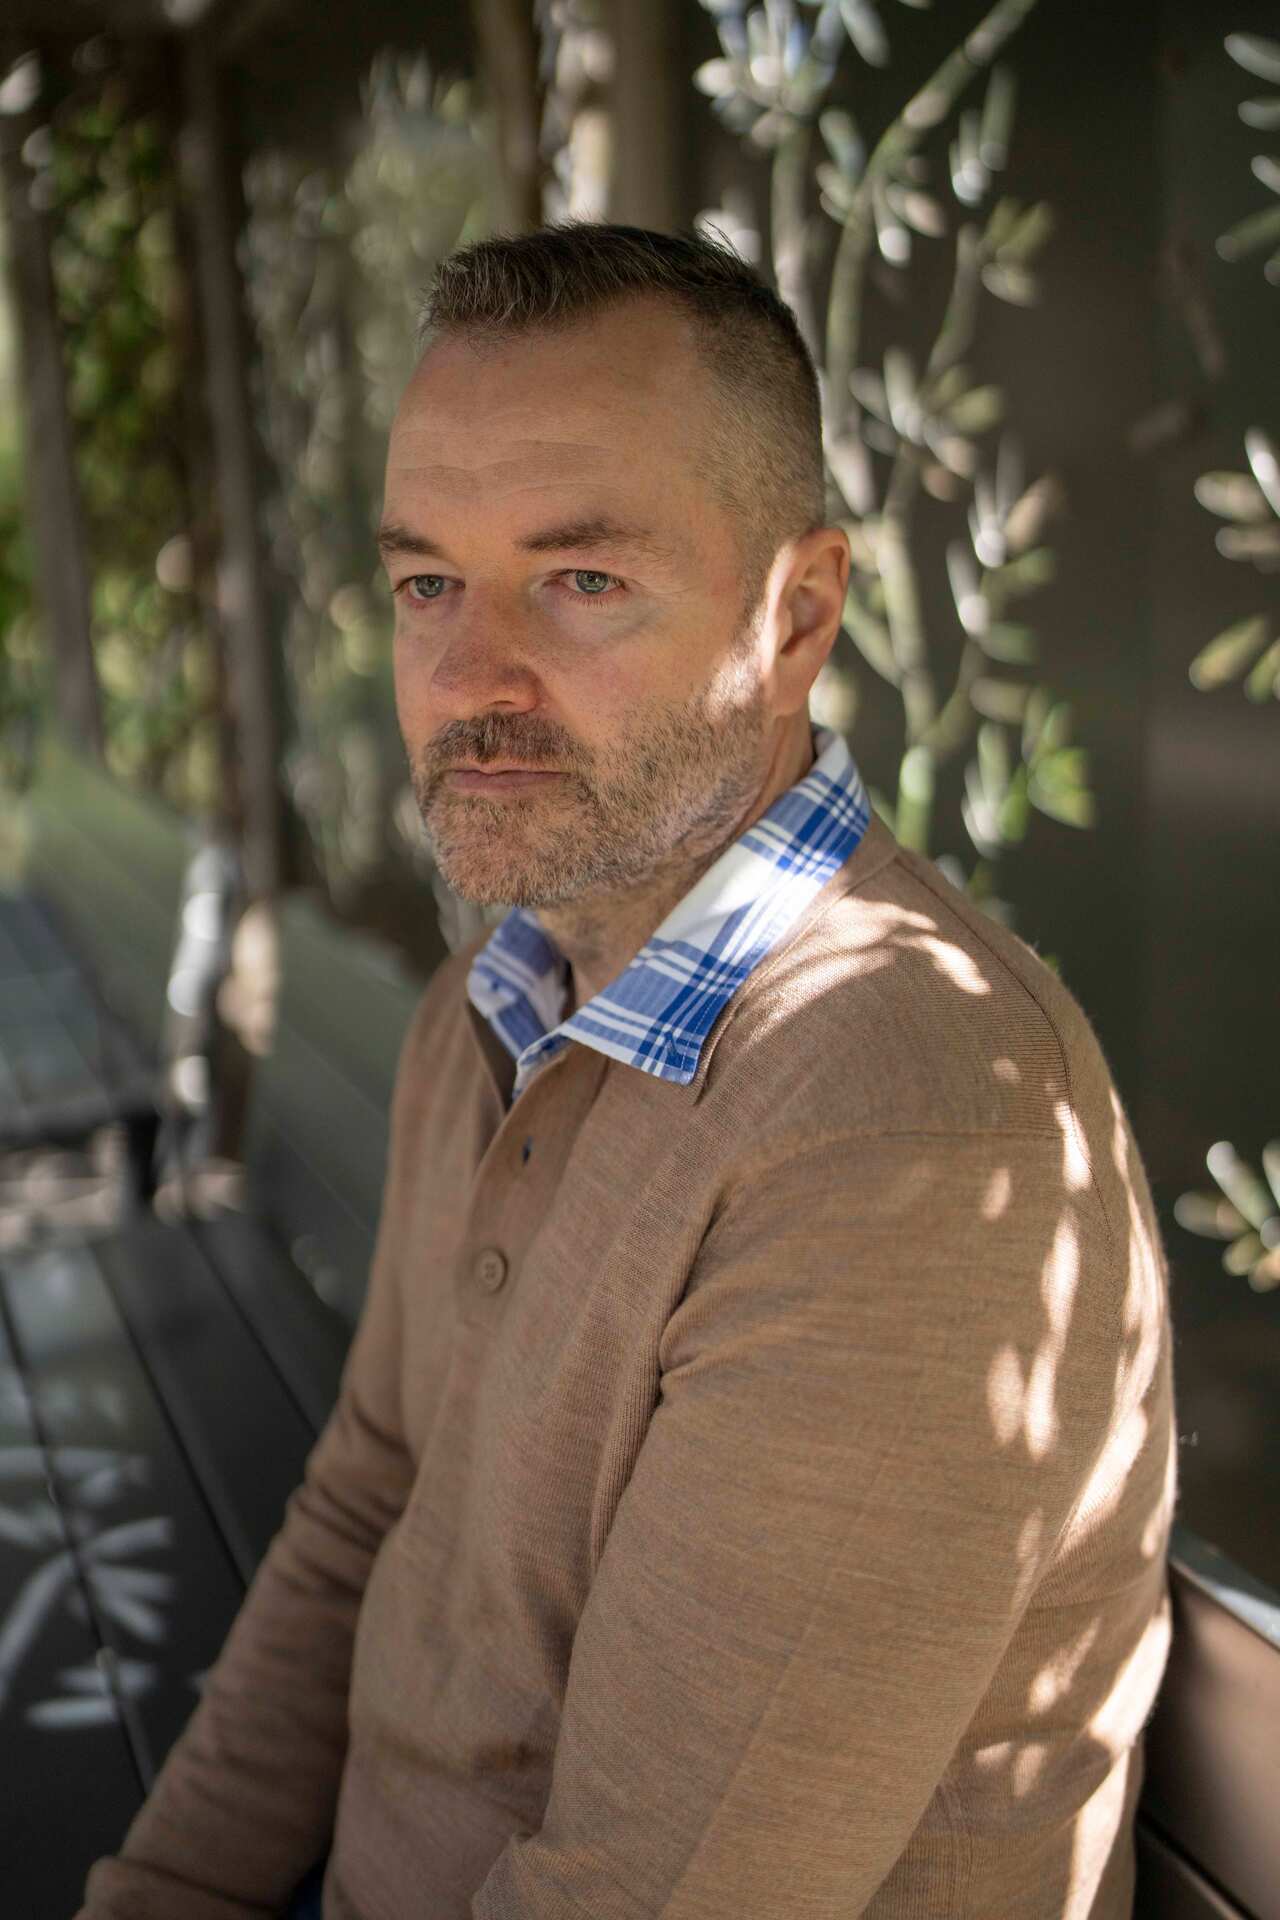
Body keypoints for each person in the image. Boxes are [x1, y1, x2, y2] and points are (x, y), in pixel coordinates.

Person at [77, 223, 1176, 1920]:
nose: (467, 678)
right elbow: (367, 1500)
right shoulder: (504, 994)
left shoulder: (900, 1134)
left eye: (580, 580)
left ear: (796, 616)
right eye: (427, 583)